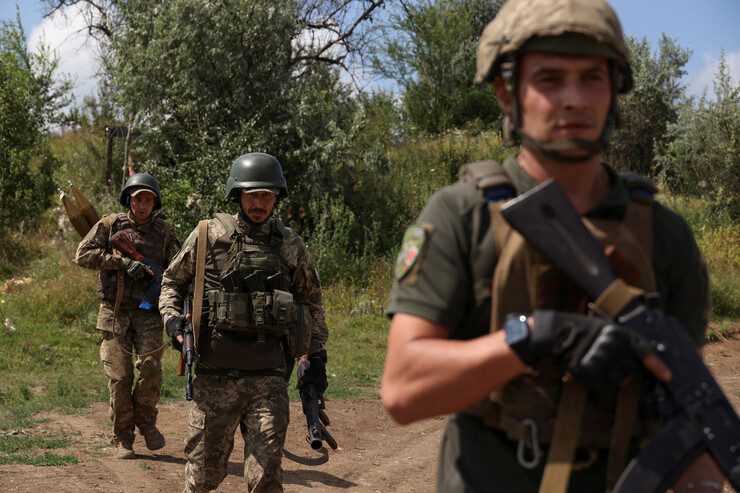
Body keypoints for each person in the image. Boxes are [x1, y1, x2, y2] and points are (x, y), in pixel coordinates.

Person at [380, 0, 724, 491]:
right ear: (506, 93)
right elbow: (402, 390)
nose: (573, 99)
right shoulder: (464, 216)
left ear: (614, 91)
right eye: (549, 79)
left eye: (592, 78)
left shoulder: (662, 235)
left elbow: (687, 409)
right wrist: (538, 336)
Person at [159, 152, 328, 493]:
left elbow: (311, 304)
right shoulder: (207, 234)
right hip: (214, 379)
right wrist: (173, 321)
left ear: (277, 197)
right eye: (252, 194)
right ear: (237, 194)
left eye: (267, 195)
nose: (259, 203)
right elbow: (171, 282)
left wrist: (316, 357)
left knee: (265, 478)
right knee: (204, 476)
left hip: (268, 380)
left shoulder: (291, 245)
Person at [75, 173, 181, 459]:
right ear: (128, 200)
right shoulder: (110, 225)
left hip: (149, 314)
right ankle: (123, 437)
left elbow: (181, 268)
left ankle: (145, 419)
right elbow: (83, 255)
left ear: (155, 202)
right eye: (138, 199)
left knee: (150, 370)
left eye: (148, 200)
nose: (143, 205)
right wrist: (121, 263)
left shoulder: (166, 232)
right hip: (115, 311)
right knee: (120, 377)